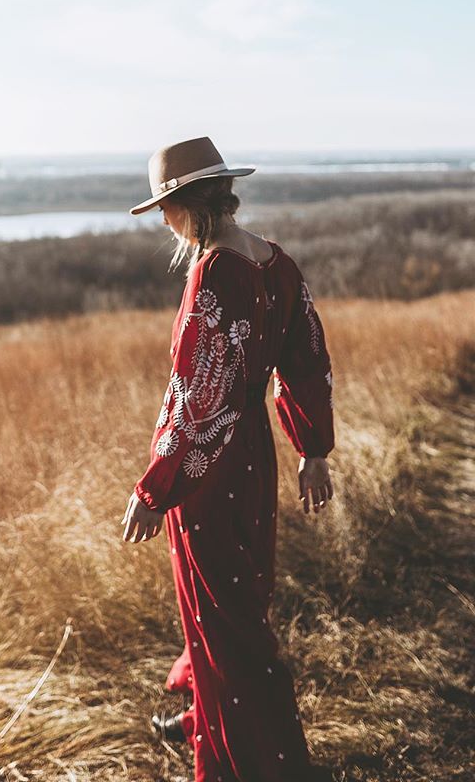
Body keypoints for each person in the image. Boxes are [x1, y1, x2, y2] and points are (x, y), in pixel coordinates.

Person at [121, 136, 335, 782]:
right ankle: (201, 722)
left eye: (165, 206)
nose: (162, 220)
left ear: (188, 204)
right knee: (235, 610)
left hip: (207, 470)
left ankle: (258, 766)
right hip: (254, 459)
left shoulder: (215, 270)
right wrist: (312, 450)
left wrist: (155, 489)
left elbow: (196, 396)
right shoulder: (276, 261)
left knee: (230, 626)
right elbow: (308, 363)